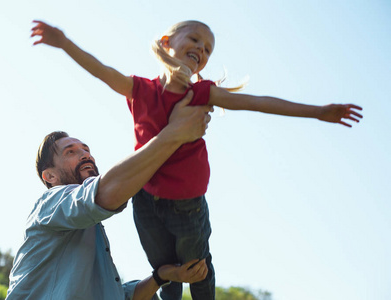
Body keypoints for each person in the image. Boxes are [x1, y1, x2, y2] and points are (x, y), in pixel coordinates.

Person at [30, 20, 363, 300]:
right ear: (166, 42)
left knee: (196, 264)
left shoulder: (201, 93)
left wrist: (318, 112)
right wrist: (64, 43)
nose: (201, 50)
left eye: (207, 49)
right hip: (145, 198)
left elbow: (258, 102)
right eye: (194, 39)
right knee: (163, 266)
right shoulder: (141, 90)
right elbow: (101, 70)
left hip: (187, 202)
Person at [5, 92, 213, 300]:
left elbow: (117, 296)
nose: (85, 154)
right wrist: (172, 134)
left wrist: (161, 276)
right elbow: (106, 191)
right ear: (49, 176)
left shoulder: (87, 230)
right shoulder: (49, 204)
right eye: (71, 152)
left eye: (86, 149)